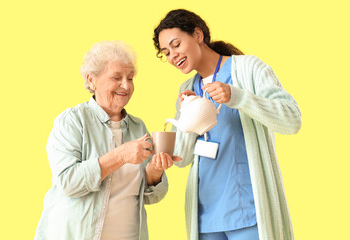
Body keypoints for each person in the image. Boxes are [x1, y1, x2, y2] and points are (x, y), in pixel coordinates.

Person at [153, 9, 302, 240]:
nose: (173, 55)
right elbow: (182, 158)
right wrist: (185, 115)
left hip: (249, 212)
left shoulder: (248, 69)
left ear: (198, 35)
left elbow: (292, 120)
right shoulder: (187, 90)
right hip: (206, 216)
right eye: (166, 52)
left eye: (176, 44)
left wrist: (238, 97)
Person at [35, 40, 181, 240]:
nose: (126, 85)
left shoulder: (138, 127)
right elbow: (68, 182)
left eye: (130, 78)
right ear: (92, 80)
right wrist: (120, 156)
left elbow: (153, 196)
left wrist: (155, 171)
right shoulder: (72, 121)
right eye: (116, 77)